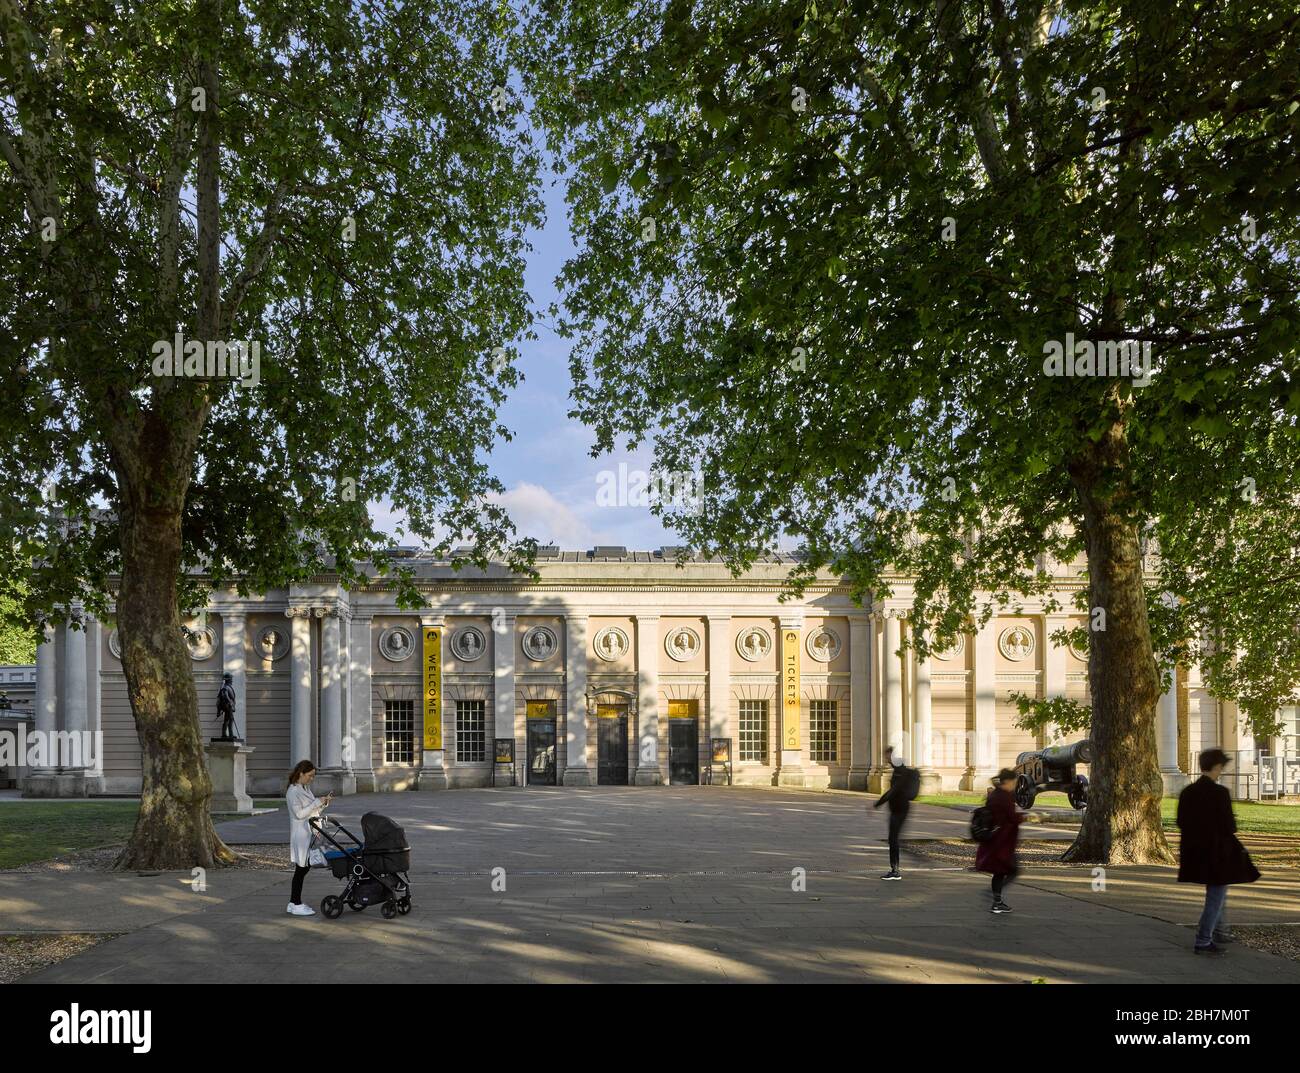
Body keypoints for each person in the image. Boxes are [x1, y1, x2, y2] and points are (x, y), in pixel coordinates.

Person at [1177, 748, 1260, 955]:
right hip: (1217, 852)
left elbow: (1181, 822)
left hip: (1194, 851)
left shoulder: (1187, 792)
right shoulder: (1220, 793)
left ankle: (1220, 930)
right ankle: (1204, 939)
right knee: (1216, 895)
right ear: (1216, 767)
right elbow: (1229, 826)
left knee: (1217, 893)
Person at [286, 760, 333, 917]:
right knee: (301, 869)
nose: (312, 778)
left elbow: (312, 810)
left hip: (310, 832)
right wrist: (316, 802)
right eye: (310, 775)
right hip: (302, 834)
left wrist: (322, 803)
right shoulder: (293, 791)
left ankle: (294, 902)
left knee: (303, 869)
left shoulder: (304, 788)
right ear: (301, 774)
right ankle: (295, 903)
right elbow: (299, 814)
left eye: (313, 776)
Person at [976, 768, 1024, 913]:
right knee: (1013, 870)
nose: (1014, 785)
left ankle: (997, 902)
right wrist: (1026, 817)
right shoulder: (1003, 796)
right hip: (1002, 840)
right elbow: (1011, 817)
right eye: (1014, 782)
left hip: (996, 840)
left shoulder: (995, 794)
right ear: (1008, 781)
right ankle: (995, 897)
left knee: (1000, 871)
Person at [873, 746, 920, 880]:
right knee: (893, 839)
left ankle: (895, 871)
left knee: (893, 839)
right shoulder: (899, 770)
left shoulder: (900, 772)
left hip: (900, 809)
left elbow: (893, 791)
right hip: (898, 808)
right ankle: (896, 868)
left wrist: (877, 804)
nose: (886, 759)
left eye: (887, 756)